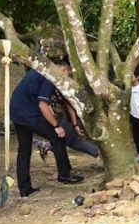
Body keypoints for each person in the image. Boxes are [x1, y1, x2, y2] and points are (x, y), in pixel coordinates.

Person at [10, 58, 84, 198]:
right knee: (58, 136)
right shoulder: (49, 76)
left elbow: (65, 102)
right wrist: (56, 126)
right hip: (28, 113)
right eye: (67, 75)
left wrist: (74, 124)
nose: (66, 78)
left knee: (24, 149)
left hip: (16, 112)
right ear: (63, 70)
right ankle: (64, 174)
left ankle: (24, 189)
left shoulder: (41, 69)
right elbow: (43, 105)